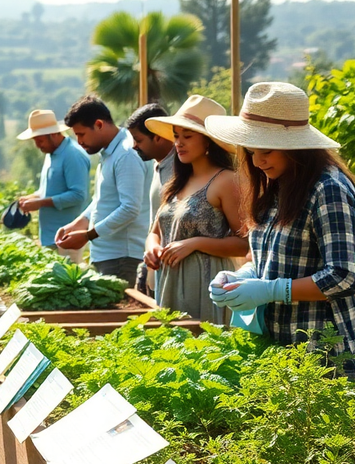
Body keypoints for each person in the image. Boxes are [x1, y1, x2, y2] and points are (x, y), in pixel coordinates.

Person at [206, 82, 355, 384]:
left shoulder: (328, 189)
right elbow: (274, 258)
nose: (258, 161)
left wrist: (272, 290)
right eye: (252, 150)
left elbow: (344, 276)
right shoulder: (277, 185)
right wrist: (242, 277)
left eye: (267, 151)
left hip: (323, 352)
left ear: (297, 148)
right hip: (280, 347)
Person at [141, 96, 247, 324]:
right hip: (168, 281)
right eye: (176, 136)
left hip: (205, 284)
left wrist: (195, 243)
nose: (179, 143)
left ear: (208, 141)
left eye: (187, 136)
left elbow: (244, 243)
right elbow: (155, 231)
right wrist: (152, 248)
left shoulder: (226, 180)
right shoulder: (176, 182)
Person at [56, 96, 149, 281]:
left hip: (123, 257)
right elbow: (103, 200)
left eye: (81, 134)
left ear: (99, 124)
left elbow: (130, 208)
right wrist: (78, 224)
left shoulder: (126, 153)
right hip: (109, 256)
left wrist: (88, 235)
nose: (79, 141)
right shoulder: (109, 153)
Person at [15, 109, 90, 263]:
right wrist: (32, 198)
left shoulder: (72, 155)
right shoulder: (51, 154)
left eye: (40, 140)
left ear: (54, 135)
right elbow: (47, 190)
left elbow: (78, 195)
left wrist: (41, 203)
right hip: (49, 235)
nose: (37, 145)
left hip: (67, 237)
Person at [125, 104, 176, 294]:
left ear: (158, 137)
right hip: (156, 266)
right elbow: (156, 222)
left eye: (138, 139)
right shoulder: (159, 165)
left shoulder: (179, 171)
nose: (134, 146)